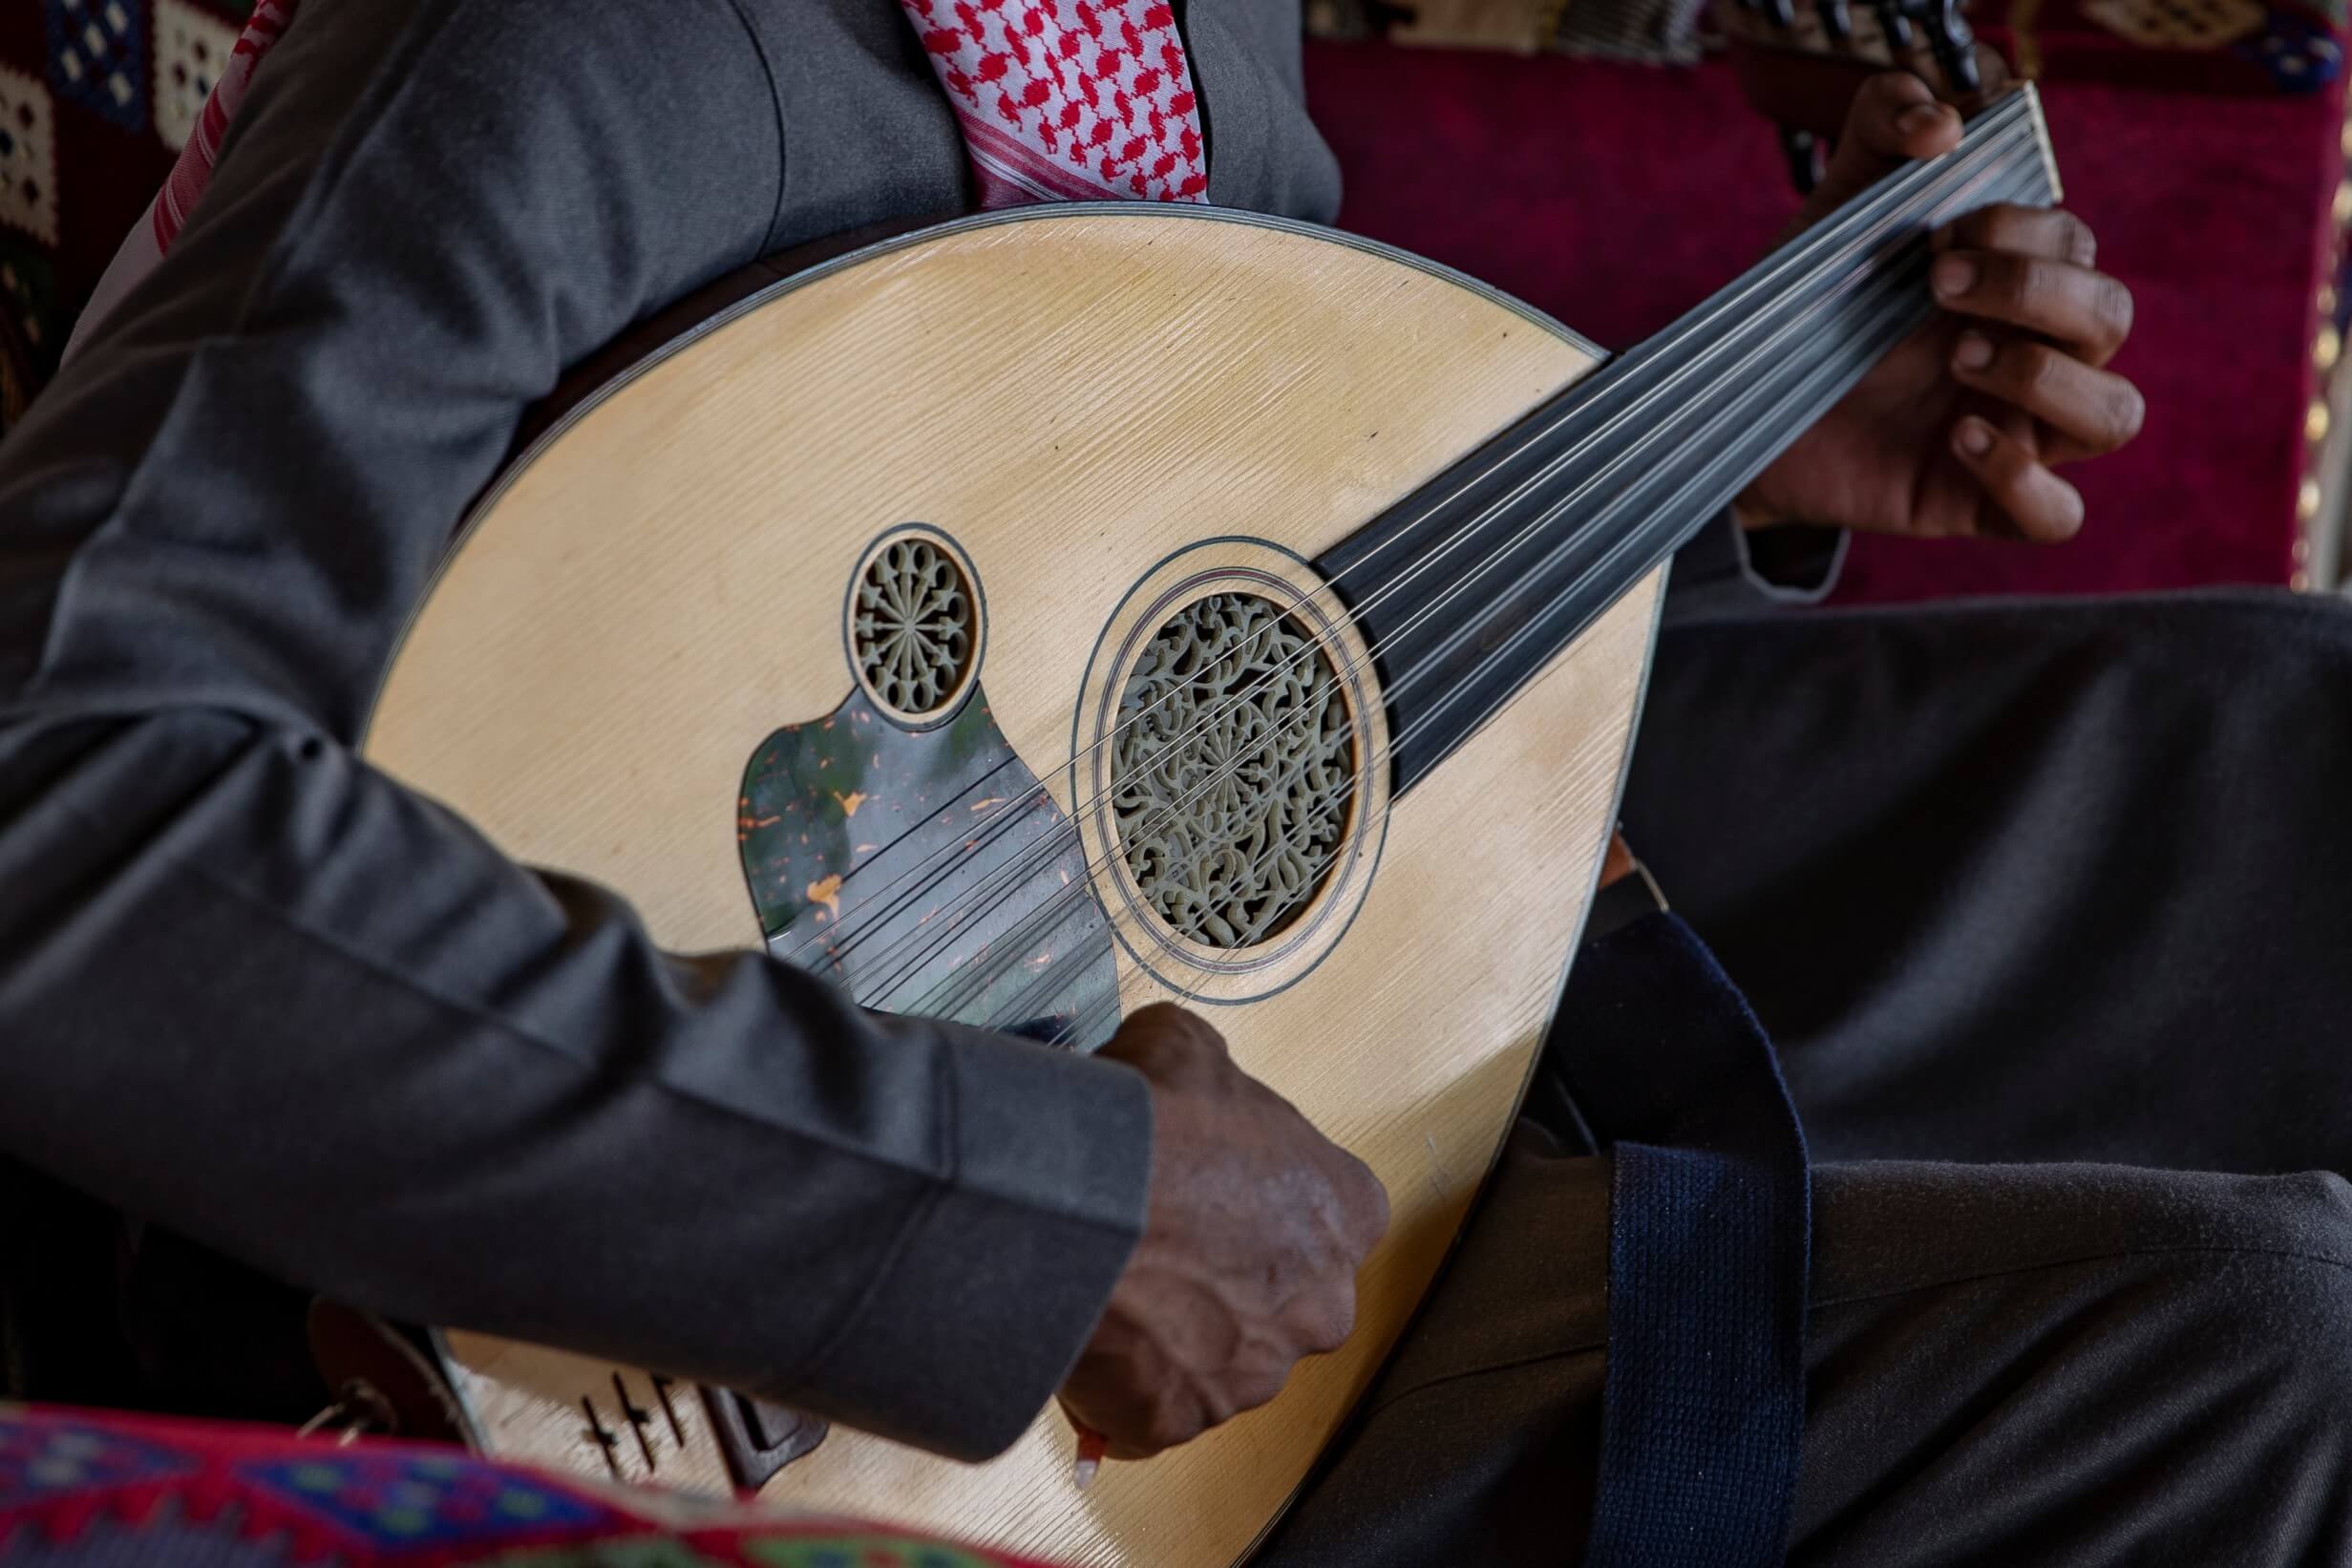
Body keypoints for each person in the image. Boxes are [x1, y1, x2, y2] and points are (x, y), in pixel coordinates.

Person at [0, 1, 2343, 1563]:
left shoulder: (1176, 24)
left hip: (1282, 1109)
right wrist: (1039, 1210)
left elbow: (1169, 602)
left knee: (2277, 926)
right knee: (2254, 1346)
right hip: (737, 1313)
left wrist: (1695, 474)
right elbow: (69, 827)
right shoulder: (558, 53)